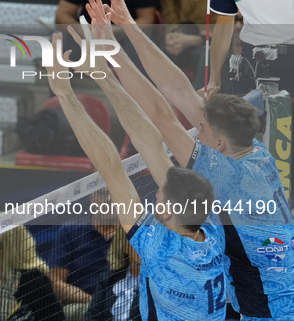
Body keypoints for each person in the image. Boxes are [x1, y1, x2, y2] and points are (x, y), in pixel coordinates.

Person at [96, 0, 294, 319]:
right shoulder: (255, 153)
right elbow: (180, 94)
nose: (194, 133)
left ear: (218, 143)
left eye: (200, 131)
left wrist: (110, 52)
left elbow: (162, 116)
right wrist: (127, 25)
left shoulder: (227, 175)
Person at [46, 31, 226, 320]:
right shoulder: (212, 230)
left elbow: (110, 168)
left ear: (169, 210)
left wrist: (65, 93)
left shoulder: (159, 249)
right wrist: (103, 76)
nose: (155, 197)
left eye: (159, 197)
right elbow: (150, 144)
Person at [48, 189, 115, 321]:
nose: (108, 198)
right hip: (83, 304)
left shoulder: (132, 231)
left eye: (112, 192)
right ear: (92, 198)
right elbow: (56, 283)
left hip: (123, 300)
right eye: (102, 194)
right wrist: (94, 302)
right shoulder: (70, 231)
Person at [85, 227, 140, 321]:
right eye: (139, 242)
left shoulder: (160, 282)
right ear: (126, 247)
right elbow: (92, 315)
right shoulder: (108, 279)